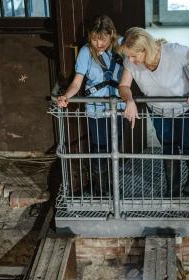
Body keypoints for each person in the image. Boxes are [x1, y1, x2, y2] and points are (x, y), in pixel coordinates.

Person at [118, 27, 189, 198]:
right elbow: (124, 86)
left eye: (133, 56)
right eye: (128, 56)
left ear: (146, 49)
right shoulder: (131, 61)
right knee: (168, 147)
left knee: (187, 145)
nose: (130, 60)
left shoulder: (175, 52)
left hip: (185, 108)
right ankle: (172, 189)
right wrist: (129, 100)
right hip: (158, 111)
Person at [57, 15, 123, 197]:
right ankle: (100, 190)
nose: (98, 43)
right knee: (100, 148)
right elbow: (77, 82)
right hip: (96, 109)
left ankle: (114, 187)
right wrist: (67, 96)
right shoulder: (86, 52)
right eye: (94, 38)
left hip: (119, 108)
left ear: (111, 34)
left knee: (116, 148)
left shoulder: (122, 46)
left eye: (102, 39)